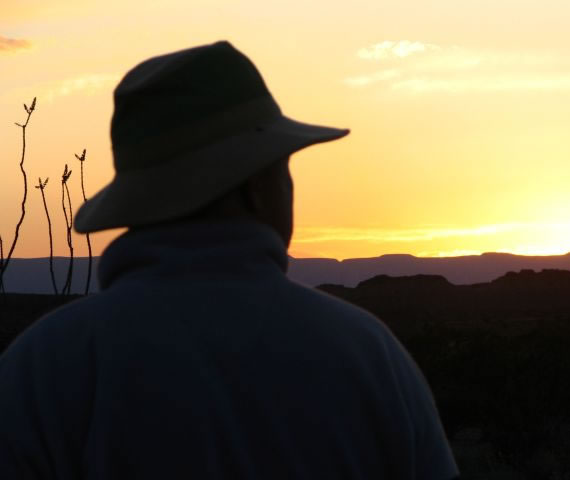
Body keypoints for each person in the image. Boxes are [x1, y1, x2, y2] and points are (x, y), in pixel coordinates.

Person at [0, 41, 458, 479]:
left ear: (139, 198)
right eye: (283, 169)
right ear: (256, 187)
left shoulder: (40, 371)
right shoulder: (370, 357)